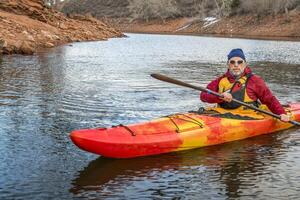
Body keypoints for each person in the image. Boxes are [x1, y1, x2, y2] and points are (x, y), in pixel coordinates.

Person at [200, 48, 290, 122]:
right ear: (228, 64)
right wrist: (219, 97)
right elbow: (203, 96)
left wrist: (281, 113)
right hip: (221, 114)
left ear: (245, 64)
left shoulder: (255, 81)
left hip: (247, 116)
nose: (236, 65)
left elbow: (269, 99)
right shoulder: (220, 80)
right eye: (232, 62)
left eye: (240, 62)